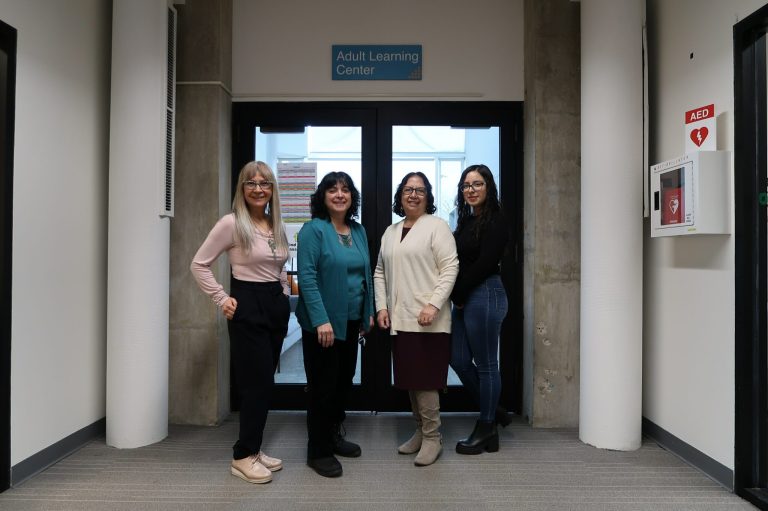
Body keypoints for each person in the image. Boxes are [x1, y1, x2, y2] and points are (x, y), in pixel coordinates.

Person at [190, 161, 290, 484]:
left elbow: (279, 268)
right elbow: (199, 264)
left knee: (265, 384)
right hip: (248, 306)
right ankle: (242, 456)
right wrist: (222, 298)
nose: (258, 188)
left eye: (264, 183)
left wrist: (285, 292)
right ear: (242, 189)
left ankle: (255, 449)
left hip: (275, 306)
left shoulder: (275, 225)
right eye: (251, 183)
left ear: (272, 189)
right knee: (254, 385)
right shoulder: (231, 224)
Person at [374, 172, 459, 467]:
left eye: (420, 190)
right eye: (408, 189)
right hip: (400, 318)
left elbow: (450, 268)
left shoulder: (438, 227)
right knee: (411, 379)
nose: (413, 195)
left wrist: (434, 305)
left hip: (429, 320)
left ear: (428, 196)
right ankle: (420, 432)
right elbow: (380, 272)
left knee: (426, 381)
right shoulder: (391, 231)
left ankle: (434, 437)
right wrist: (381, 307)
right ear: (400, 195)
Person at [295, 172, 374, 478]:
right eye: (332, 190)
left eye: (345, 190)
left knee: (343, 382)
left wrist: (368, 311)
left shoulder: (358, 230)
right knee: (322, 387)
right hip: (323, 325)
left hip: (351, 320)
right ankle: (317, 450)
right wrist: (321, 320)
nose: (340, 194)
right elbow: (308, 278)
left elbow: (364, 275)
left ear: (352, 197)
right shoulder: (313, 230)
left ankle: (332, 435)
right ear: (322, 197)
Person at [449, 164, 510, 455]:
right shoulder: (466, 221)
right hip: (465, 298)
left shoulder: (497, 219)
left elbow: (486, 263)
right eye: (466, 185)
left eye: (477, 184)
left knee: (487, 366)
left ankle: (486, 426)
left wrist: (458, 292)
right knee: (458, 359)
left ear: (488, 187)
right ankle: (494, 411)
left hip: (486, 294)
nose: (470, 190)